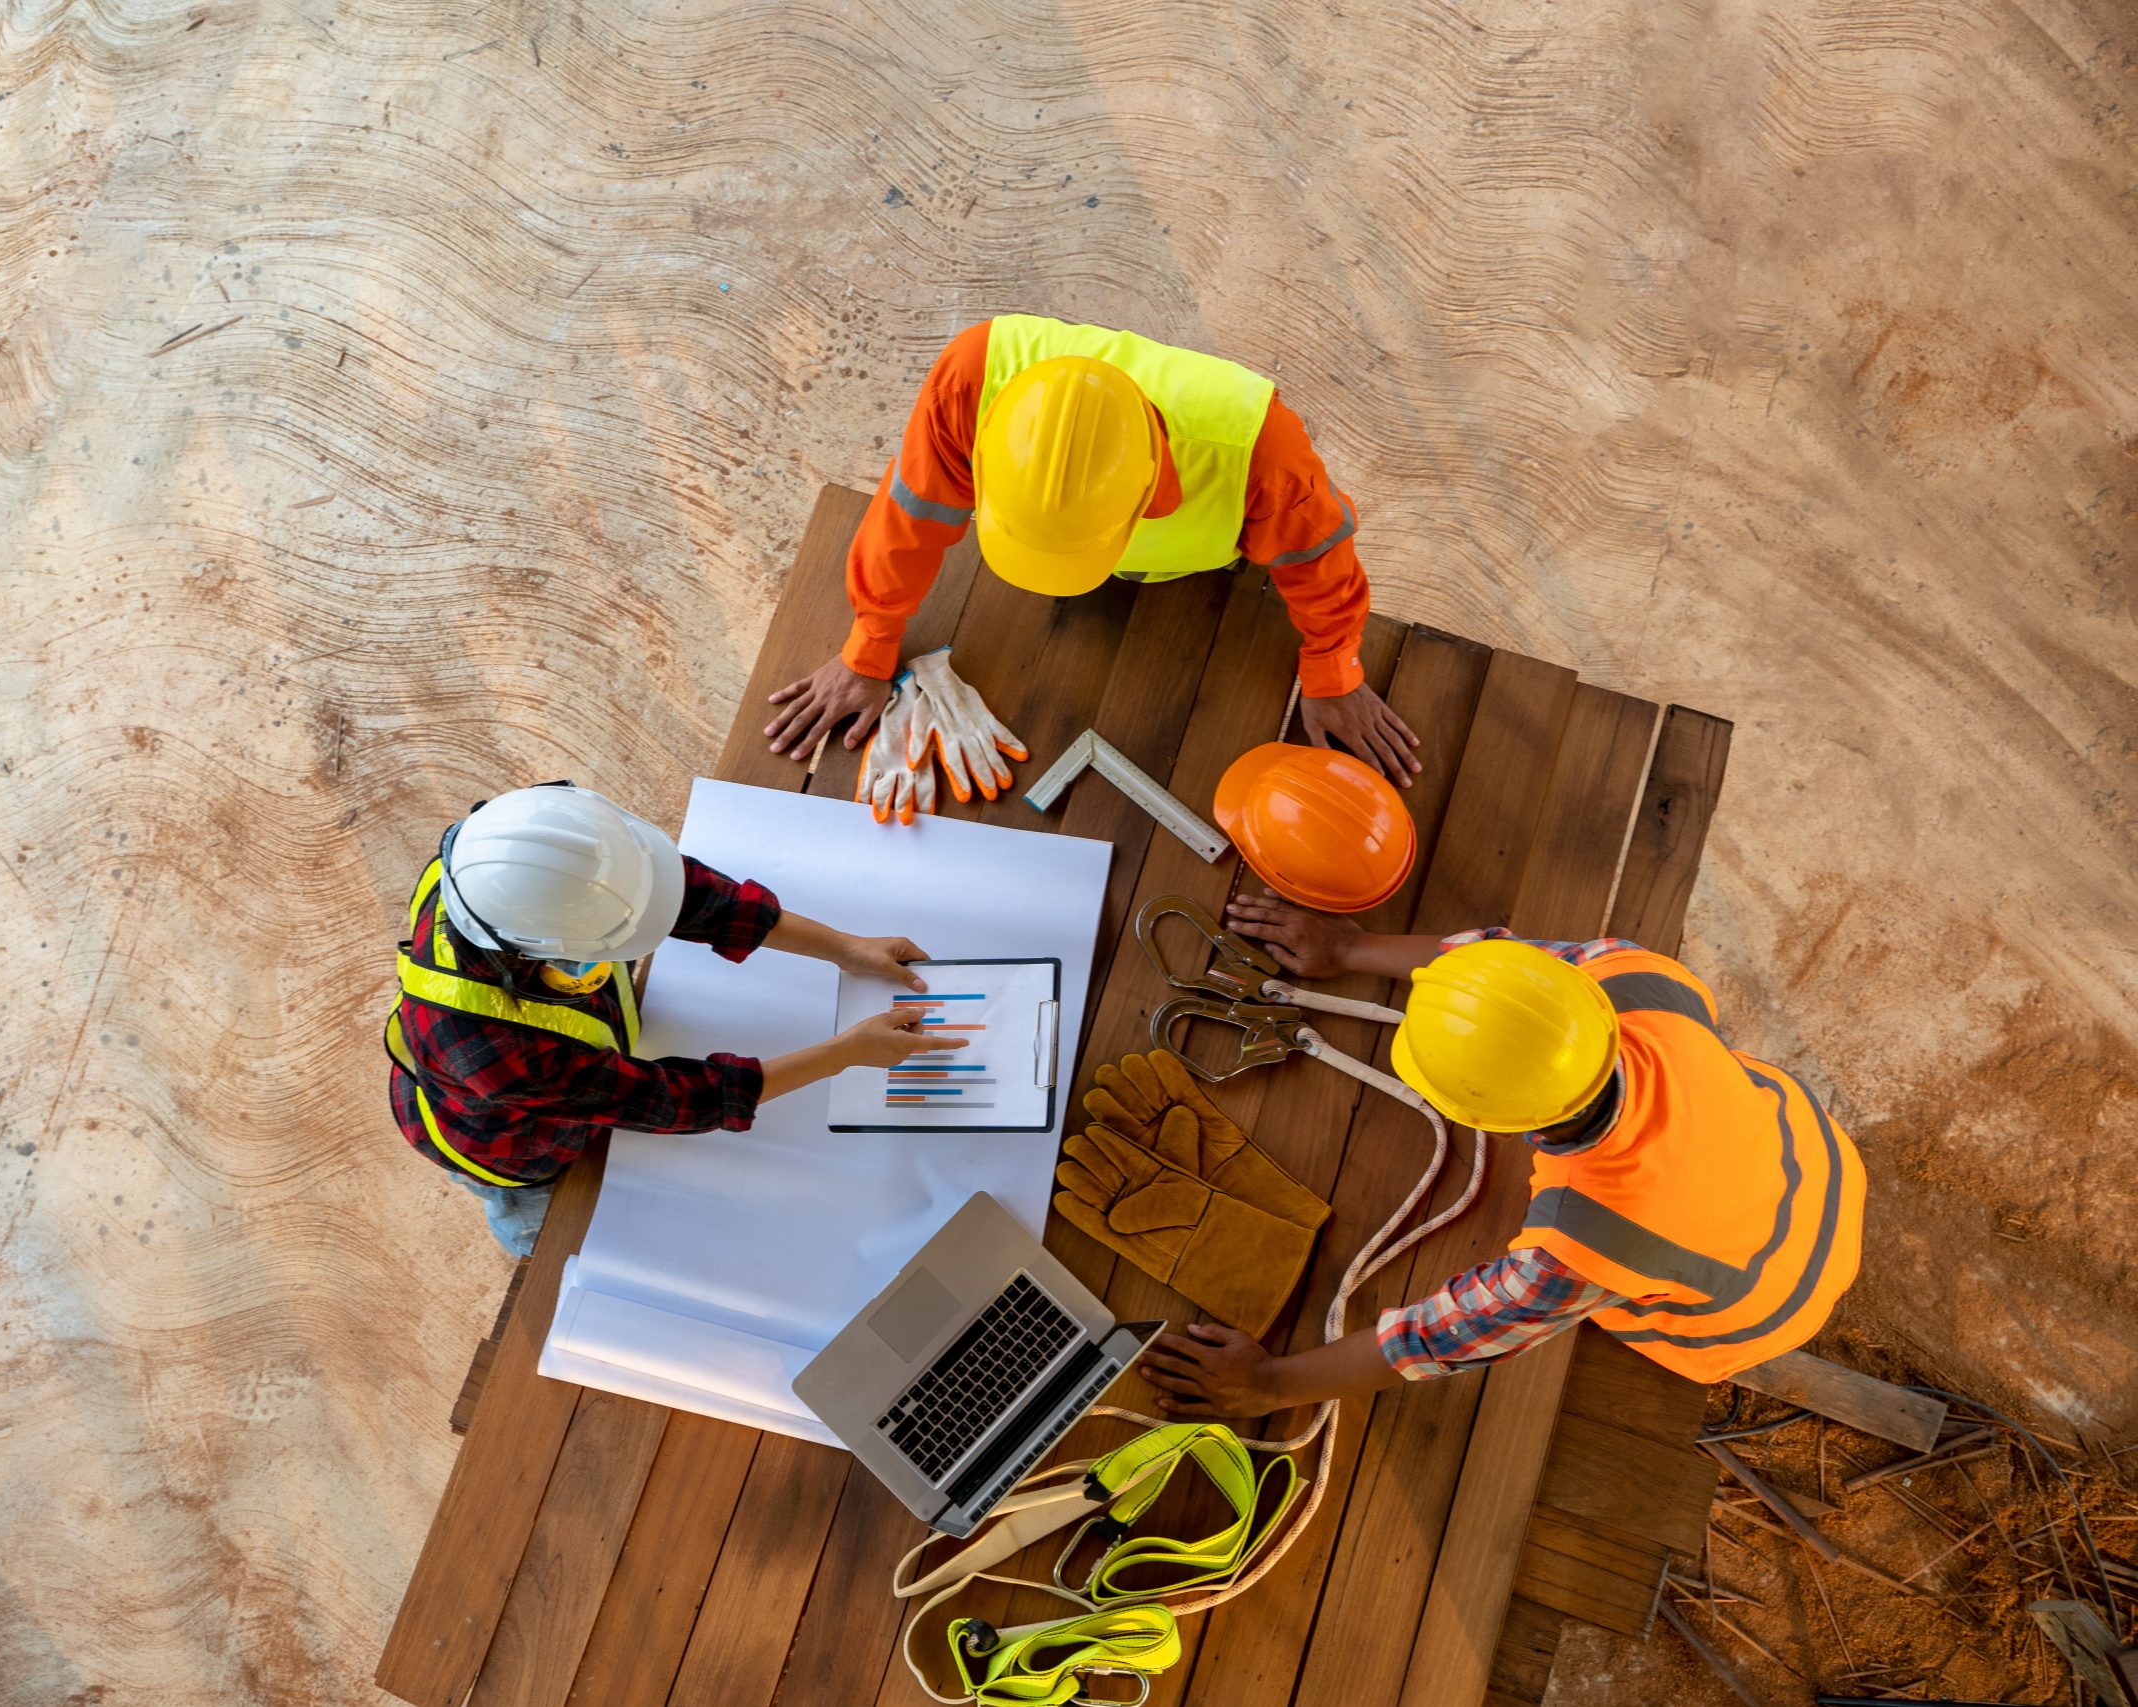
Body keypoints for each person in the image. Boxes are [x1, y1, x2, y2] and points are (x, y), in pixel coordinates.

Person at [1138, 895, 1866, 1415]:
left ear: (1483, 1119)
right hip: (1818, 1166)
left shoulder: (1578, 1247)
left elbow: (1444, 1336)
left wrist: (1268, 1385)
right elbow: (1505, 970)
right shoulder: (1630, 975)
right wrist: (1349, 949)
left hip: (1762, 1308)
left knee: (1627, 1297)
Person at [763, 313, 1421, 784]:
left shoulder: (1258, 449)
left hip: (1202, 575)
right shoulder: (972, 377)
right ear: (983, 449)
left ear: (1151, 495)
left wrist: (1333, 669)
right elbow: (908, 517)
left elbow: (1320, 561)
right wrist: (870, 645)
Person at [386, 783, 964, 1256]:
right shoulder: (495, 1055)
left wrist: (845, 947)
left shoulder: (512, 858)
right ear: (540, 950)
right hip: (505, 1140)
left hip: (551, 1055)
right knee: (555, 1229)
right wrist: (844, 1054)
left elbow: (694, 899)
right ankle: (523, 1235)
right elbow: (675, 1099)